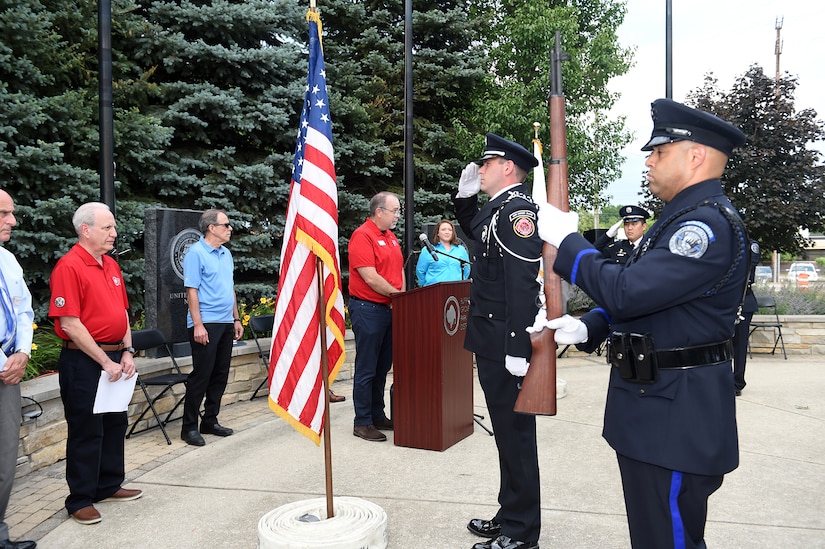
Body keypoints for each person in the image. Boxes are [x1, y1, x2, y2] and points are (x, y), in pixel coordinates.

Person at [535, 98, 749, 549]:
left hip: (674, 415)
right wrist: (589, 327)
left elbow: (627, 290)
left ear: (695, 156)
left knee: (667, 538)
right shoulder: (675, 221)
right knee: (652, 532)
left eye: (659, 152)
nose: (648, 162)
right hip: (656, 406)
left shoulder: (703, 228)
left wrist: (568, 241)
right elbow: (651, 302)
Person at [453, 133, 543, 549]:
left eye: (486, 164)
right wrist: (465, 199)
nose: (480, 170)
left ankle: (522, 532)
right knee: (505, 437)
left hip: (505, 343)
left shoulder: (516, 214)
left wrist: (517, 347)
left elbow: (522, 286)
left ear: (508, 167)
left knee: (516, 437)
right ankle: (509, 514)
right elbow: (475, 231)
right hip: (490, 340)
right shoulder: (498, 210)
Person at [49, 202, 142, 525]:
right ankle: (80, 499)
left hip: (116, 357)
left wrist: (127, 351)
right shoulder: (69, 267)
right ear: (85, 230)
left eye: (113, 227)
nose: (114, 234)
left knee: (115, 423)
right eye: (107, 228)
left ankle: (108, 484)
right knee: (86, 429)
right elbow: (71, 322)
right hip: (85, 361)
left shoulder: (111, 266)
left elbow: (123, 312)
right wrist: (105, 361)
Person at [181, 209, 243, 446]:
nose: (230, 228)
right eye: (226, 224)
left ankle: (210, 420)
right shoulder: (196, 253)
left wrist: (236, 318)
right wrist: (198, 324)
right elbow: (191, 290)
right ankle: (188, 428)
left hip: (226, 322)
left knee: (220, 374)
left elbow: (230, 288)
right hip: (205, 322)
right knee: (202, 375)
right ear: (211, 228)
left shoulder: (226, 253)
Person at [347, 192, 405, 442]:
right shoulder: (362, 236)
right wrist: (397, 296)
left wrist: (400, 296)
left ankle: (377, 414)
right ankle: (362, 421)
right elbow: (369, 276)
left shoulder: (390, 237)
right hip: (369, 310)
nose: (397, 215)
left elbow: (399, 269)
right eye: (395, 211)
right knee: (367, 368)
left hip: (390, 308)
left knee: (382, 367)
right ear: (379, 211)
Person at [0, 191, 37, 548]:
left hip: (9, 373)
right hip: (3, 368)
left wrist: (23, 353)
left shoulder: (8, 260)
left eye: (11, 212)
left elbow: (23, 311)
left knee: (5, 456)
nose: (12, 220)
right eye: (4, 213)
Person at [732, 240, 761, 396]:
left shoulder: (750, 245)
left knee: (740, 344)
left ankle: (737, 382)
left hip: (743, 299)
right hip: (723, 301)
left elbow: (749, 266)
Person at [415, 219, 471, 286]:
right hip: (434, 290)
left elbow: (466, 270)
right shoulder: (427, 250)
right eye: (443, 229)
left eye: (450, 230)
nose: (447, 232)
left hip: (455, 290)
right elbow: (420, 271)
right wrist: (427, 286)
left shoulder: (461, 250)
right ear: (438, 233)